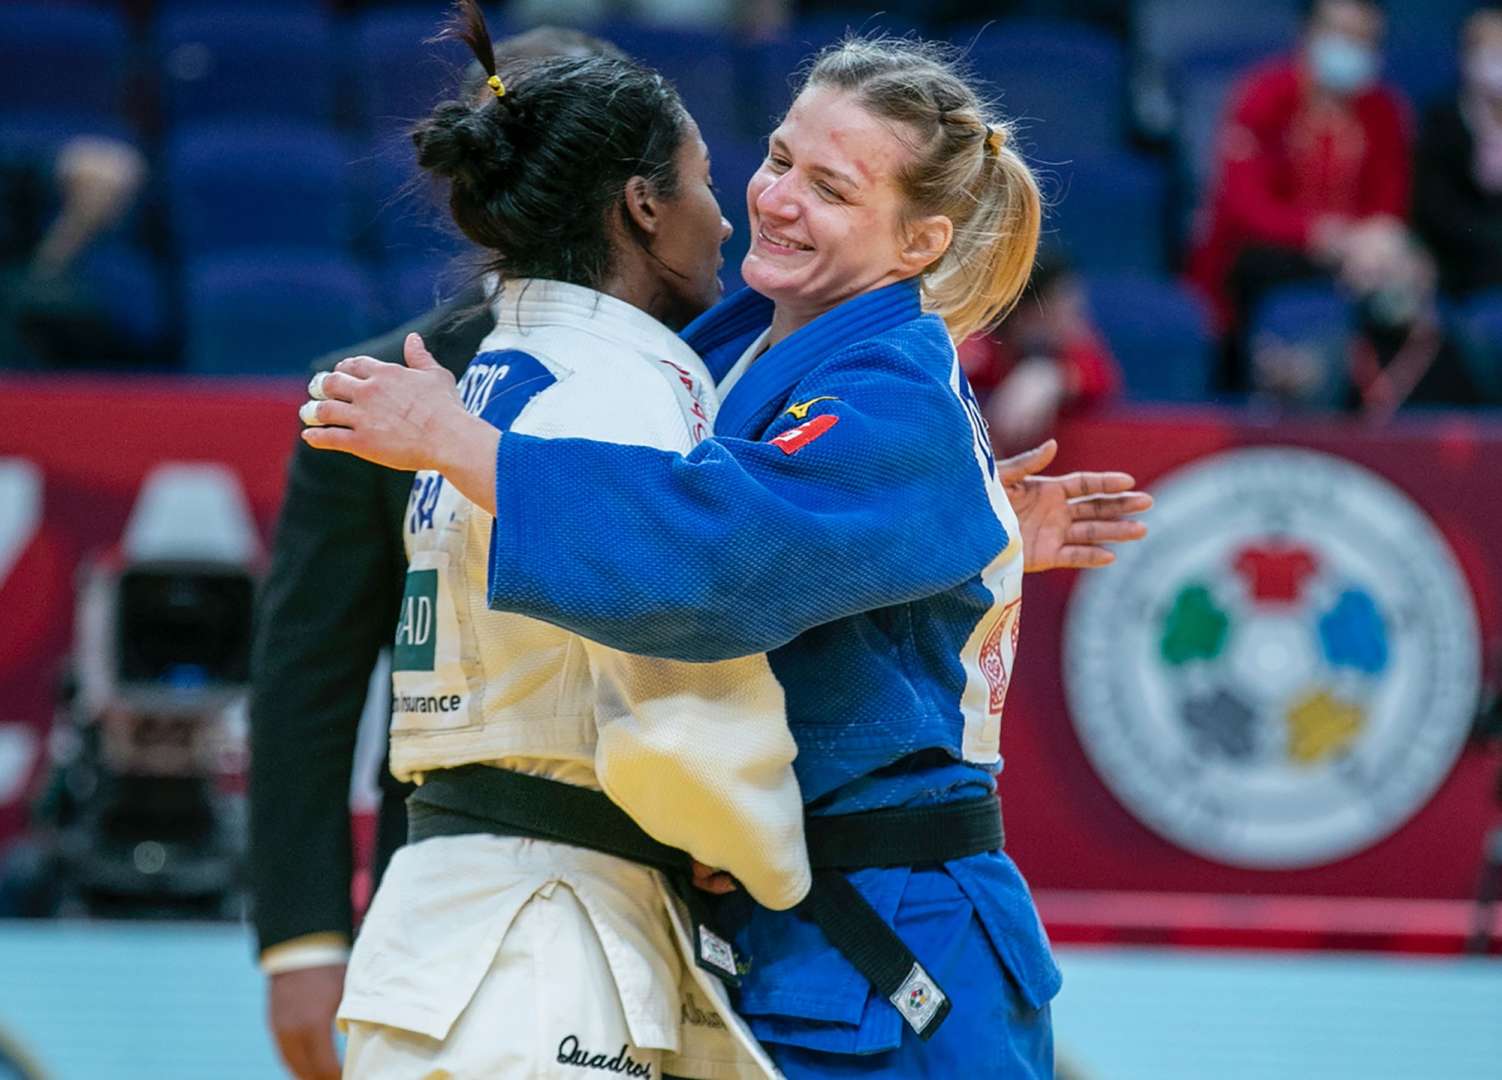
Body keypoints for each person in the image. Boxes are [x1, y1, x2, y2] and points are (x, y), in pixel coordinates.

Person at [303, 33, 1151, 1077]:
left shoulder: (890, 391)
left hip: (890, 923)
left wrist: (468, 449)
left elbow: (723, 556)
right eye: (780, 158)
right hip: (772, 922)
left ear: (920, 240)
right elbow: (796, 533)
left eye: (830, 188)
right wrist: (977, 539)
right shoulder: (732, 335)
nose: (777, 198)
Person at [247, 23, 624, 1080]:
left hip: (674, 867)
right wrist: (303, 937)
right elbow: (304, 686)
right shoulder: (365, 392)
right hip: (448, 882)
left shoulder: (707, 372)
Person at [1187, 0, 1410, 377]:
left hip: (1353, 262)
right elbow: (1245, 205)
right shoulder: (1263, 94)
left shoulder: (1383, 110)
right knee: (1260, 269)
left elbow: (1388, 202)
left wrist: (1374, 240)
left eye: (1364, 39)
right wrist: (1322, 234)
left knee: (1402, 285)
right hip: (1262, 254)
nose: (1350, 47)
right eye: (1340, 33)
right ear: (1308, 34)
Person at [957, 249, 1121, 454]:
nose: (1077, 321)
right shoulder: (968, 348)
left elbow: (1102, 379)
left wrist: (1054, 376)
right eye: (1067, 308)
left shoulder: (1071, 348)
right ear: (1027, 313)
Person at [1413, 5, 1502, 299]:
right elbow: (1435, 209)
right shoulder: (1441, 119)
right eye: (1485, 48)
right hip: (1462, 263)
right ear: (1465, 55)